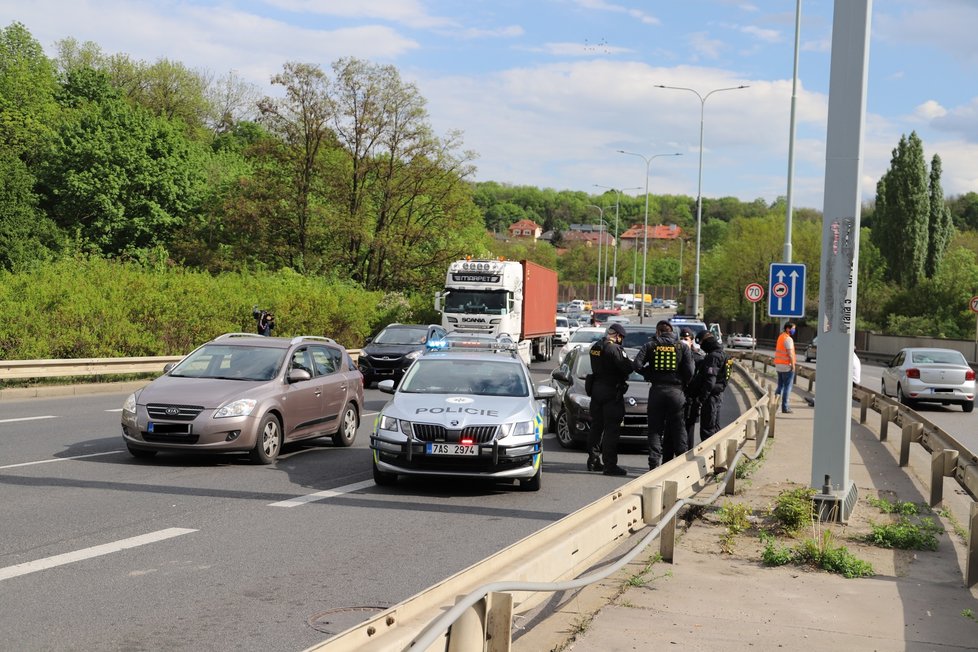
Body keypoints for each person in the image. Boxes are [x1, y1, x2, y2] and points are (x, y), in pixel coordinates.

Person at [634, 320, 694, 469]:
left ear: (658, 332)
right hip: (676, 392)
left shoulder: (651, 345)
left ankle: (654, 464)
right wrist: (682, 382)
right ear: (672, 332)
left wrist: (649, 374)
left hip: (657, 390)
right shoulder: (682, 347)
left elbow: (636, 365)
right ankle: (681, 464)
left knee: (655, 429)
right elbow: (690, 371)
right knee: (679, 428)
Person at [586, 322, 633, 476]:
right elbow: (627, 368)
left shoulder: (595, 347)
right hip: (611, 392)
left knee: (596, 427)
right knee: (611, 430)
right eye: (621, 338)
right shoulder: (614, 349)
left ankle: (593, 460)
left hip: (596, 391)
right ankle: (610, 465)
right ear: (618, 336)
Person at [694, 332, 730, 440]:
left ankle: (709, 455)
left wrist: (701, 399)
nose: (701, 346)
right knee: (715, 427)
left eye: (701, 343)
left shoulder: (713, 357)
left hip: (711, 398)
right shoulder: (723, 354)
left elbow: (710, 381)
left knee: (708, 429)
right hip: (717, 395)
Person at [678, 328, 705, 451]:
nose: (683, 341)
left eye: (686, 339)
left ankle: (687, 455)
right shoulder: (676, 355)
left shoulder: (698, 359)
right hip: (677, 395)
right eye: (682, 339)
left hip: (690, 398)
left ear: (692, 341)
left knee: (689, 430)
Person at [774, 321, 797, 413]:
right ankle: (785, 407)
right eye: (793, 328)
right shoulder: (788, 339)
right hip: (787, 365)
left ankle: (774, 404)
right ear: (788, 328)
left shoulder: (780, 337)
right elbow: (790, 353)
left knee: (780, 385)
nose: (794, 330)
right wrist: (793, 365)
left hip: (779, 365)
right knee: (788, 387)